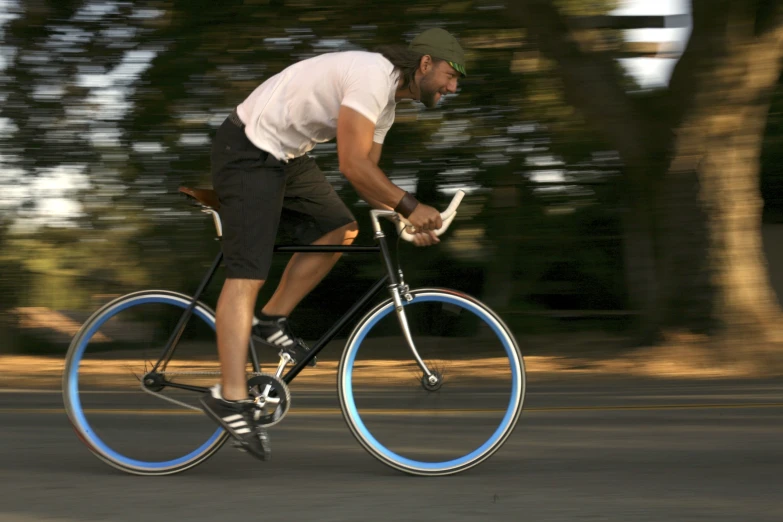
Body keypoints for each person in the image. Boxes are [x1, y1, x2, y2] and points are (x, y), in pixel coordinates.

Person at [199, 28, 467, 460]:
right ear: (425, 64)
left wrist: (405, 215)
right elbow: (351, 163)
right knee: (247, 274)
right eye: (452, 75)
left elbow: (367, 179)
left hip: (287, 157)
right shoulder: (371, 76)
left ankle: (270, 321)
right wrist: (411, 204)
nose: (454, 87)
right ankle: (229, 398)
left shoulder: (385, 108)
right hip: (248, 149)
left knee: (341, 229)